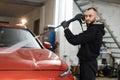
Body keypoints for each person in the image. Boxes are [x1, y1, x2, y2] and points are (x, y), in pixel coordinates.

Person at [61, 7, 105, 80]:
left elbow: (74, 40)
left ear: (96, 17)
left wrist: (66, 28)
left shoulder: (93, 31)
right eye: (86, 16)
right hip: (88, 63)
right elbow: (87, 31)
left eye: (90, 16)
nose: (87, 18)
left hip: (88, 65)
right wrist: (79, 19)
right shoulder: (94, 28)